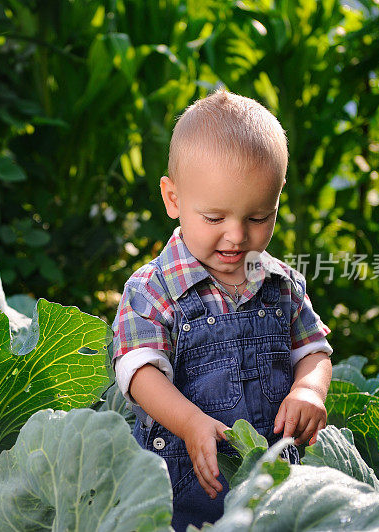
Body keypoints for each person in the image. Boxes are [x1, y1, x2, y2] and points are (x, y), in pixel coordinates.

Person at [111, 88, 333, 531]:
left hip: (274, 483)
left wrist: (309, 390)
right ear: (172, 198)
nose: (236, 236)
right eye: (214, 218)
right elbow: (137, 372)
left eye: (258, 218)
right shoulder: (153, 289)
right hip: (181, 486)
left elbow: (313, 351)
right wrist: (190, 422)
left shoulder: (281, 283)